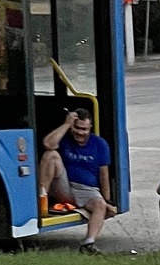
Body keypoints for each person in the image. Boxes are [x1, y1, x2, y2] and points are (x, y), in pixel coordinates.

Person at [39, 108, 117, 254]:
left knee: (100, 205)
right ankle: (40, 202)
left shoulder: (100, 144)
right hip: (65, 186)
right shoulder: (66, 138)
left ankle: (89, 243)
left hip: (87, 190)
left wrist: (108, 201)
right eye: (77, 128)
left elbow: (104, 176)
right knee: (51, 155)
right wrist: (66, 124)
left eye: (84, 129)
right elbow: (48, 144)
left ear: (90, 128)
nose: (80, 132)